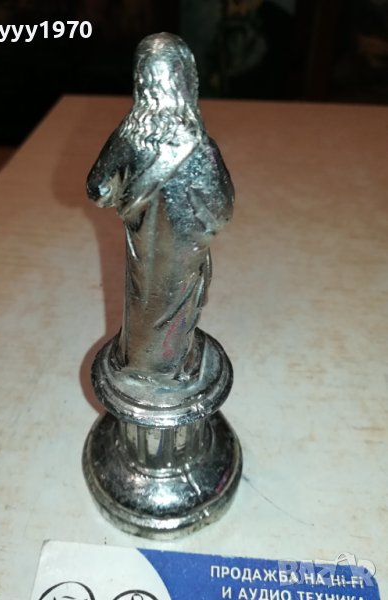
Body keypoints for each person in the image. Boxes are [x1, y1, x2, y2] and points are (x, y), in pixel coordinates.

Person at [87, 32, 234, 381]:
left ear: (141, 81)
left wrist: (129, 197)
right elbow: (223, 208)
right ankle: (166, 369)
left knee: (143, 301)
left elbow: (97, 189)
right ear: (188, 81)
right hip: (184, 252)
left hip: (143, 249)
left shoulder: (128, 136)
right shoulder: (200, 147)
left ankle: (141, 364)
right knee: (176, 302)